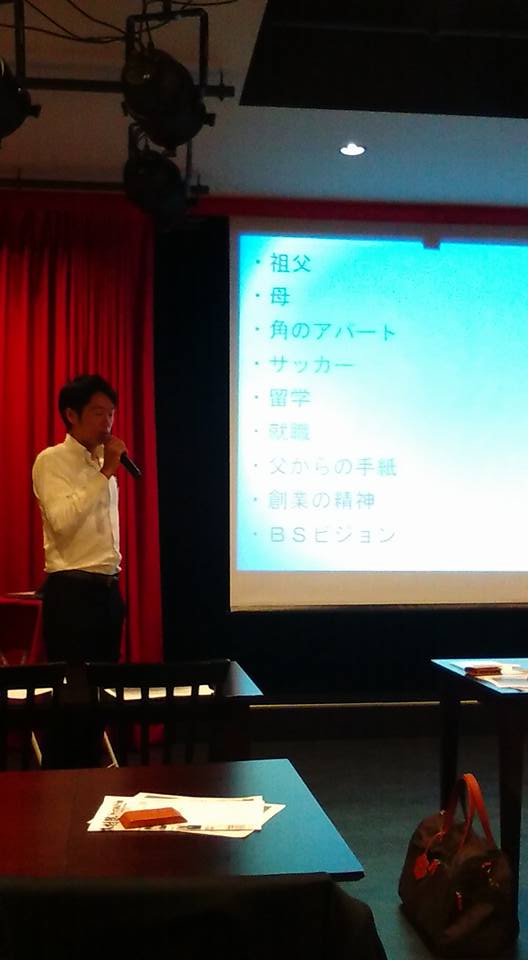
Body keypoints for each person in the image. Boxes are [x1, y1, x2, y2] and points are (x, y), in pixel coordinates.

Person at [32, 374, 128, 665]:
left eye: (110, 414)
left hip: (108, 591)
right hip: (72, 593)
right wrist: (105, 474)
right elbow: (61, 522)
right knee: (75, 685)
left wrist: (104, 470)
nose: (107, 423)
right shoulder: (52, 460)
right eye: (98, 413)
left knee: (107, 684)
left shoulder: (102, 463)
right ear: (71, 415)